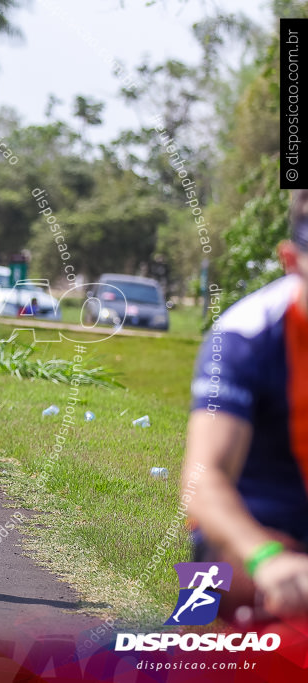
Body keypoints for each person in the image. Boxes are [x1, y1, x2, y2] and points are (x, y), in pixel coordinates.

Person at [182, 188, 308, 622]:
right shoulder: (242, 339)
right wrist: (267, 558)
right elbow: (202, 482)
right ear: (291, 262)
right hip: (253, 539)